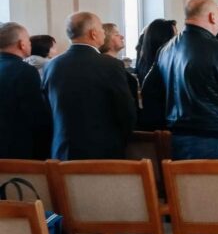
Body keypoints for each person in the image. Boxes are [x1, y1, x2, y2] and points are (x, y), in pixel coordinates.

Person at [142, 0, 218, 159]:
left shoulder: (166, 49)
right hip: (217, 137)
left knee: (184, 184)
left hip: (177, 137)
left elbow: (149, 91)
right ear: (213, 17)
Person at [44, 12, 137, 160]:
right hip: (103, 151)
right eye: (101, 29)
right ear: (93, 34)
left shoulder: (52, 65)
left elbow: (47, 110)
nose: (103, 33)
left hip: (63, 150)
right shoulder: (111, 65)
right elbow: (125, 110)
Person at [0, 22, 52, 159]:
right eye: (28, 40)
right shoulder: (24, 71)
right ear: (21, 44)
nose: (30, 44)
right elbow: (36, 114)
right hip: (17, 149)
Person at [100, 22, 139, 103]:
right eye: (117, 34)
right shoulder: (108, 66)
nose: (122, 37)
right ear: (106, 39)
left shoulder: (115, 63)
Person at [135, 19, 176, 86]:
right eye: (174, 37)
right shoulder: (158, 68)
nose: (177, 40)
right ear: (164, 39)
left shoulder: (145, 61)